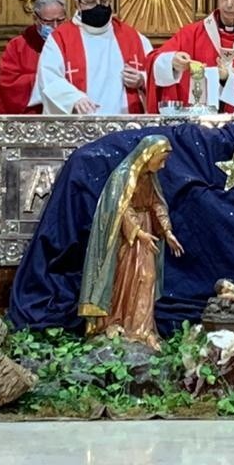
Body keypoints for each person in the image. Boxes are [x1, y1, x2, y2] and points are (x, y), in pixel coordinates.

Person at [78, 135, 185, 350]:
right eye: (161, 159)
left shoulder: (148, 177)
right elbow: (120, 209)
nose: (163, 166)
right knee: (124, 280)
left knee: (146, 278)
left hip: (145, 233)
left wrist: (167, 230)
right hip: (126, 238)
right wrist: (138, 232)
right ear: (148, 155)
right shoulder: (123, 176)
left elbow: (157, 204)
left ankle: (142, 329)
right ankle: (117, 323)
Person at [32, 0, 152, 115]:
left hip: (125, 125)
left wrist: (141, 80)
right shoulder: (60, 39)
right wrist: (73, 98)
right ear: (77, 4)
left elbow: (154, 74)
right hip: (80, 129)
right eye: (90, 2)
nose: (98, 6)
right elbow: (49, 79)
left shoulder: (133, 38)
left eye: (103, 1)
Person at [0, 0, 67, 115]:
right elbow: (7, 84)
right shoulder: (17, 46)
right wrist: (46, 81)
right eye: (48, 22)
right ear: (35, 18)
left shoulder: (71, 43)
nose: (55, 27)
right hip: (31, 117)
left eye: (60, 20)